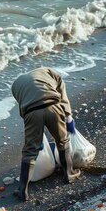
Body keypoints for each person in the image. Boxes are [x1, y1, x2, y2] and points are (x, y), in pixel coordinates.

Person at [11, 67, 81, 201]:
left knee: (30, 151)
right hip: (53, 106)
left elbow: (23, 106)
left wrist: (36, 134)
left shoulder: (16, 85)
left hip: (31, 112)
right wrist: (68, 118)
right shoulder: (53, 74)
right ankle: (69, 174)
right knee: (62, 141)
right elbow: (63, 98)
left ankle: (22, 190)